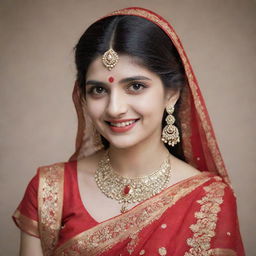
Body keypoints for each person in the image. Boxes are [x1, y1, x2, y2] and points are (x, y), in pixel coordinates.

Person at [12, 7, 245, 256]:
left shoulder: (209, 199)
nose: (115, 108)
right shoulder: (50, 190)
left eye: (135, 86)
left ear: (171, 94)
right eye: (99, 90)